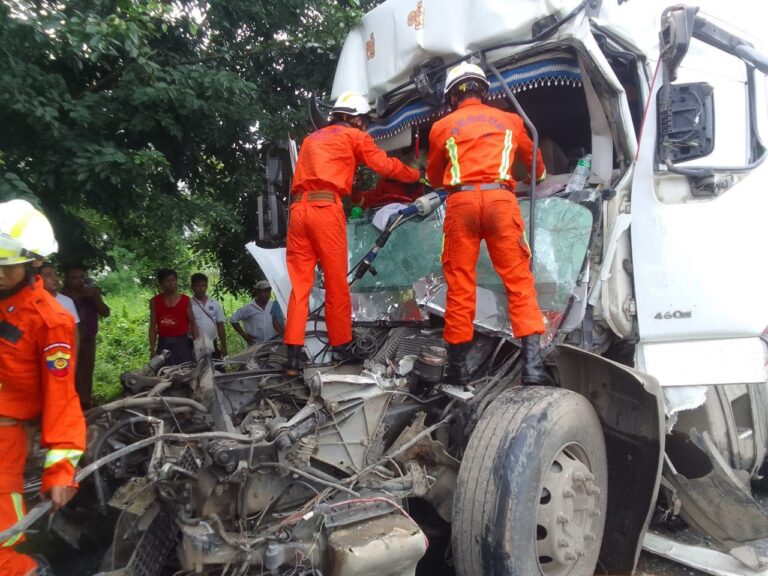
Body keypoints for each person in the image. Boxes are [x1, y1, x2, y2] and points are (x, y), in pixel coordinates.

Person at [426, 62, 552, 387]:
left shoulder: (442, 127)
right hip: (500, 202)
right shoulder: (510, 120)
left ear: (452, 96)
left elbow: (433, 176)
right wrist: (537, 177)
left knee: (460, 284)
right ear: (484, 90)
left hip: (460, 203)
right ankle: (533, 369)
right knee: (519, 281)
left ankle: (457, 369)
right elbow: (535, 163)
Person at [284, 91, 421, 375]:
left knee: (300, 285)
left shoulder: (312, 138)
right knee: (336, 283)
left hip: (298, 211)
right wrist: (414, 175)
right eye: (366, 122)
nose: (366, 128)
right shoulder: (354, 136)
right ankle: (342, 348)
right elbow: (383, 165)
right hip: (325, 207)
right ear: (357, 119)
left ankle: (293, 356)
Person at [0, 199, 86, 576]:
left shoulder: (50, 321)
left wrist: (60, 471)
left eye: (6, 267)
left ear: (32, 260)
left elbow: (61, 398)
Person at [61, 264, 110, 409]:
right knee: (71, 371)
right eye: (75, 278)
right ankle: (70, 402)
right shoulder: (62, 296)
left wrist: (95, 297)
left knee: (87, 370)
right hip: (68, 341)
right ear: (67, 280)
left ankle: (85, 401)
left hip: (88, 339)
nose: (79, 280)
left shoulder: (90, 294)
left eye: (82, 277)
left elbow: (106, 312)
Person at [149, 269, 198, 365]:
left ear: (176, 281)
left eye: (173, 280)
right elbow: (152, 326)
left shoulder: (186, 300)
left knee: (183, 372)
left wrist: (196, 346)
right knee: (163, 373)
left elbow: (193, 323)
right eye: (167, 281)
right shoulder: (155, 301)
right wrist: (152, 349)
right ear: (161, 284)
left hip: (182, 343)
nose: (171, 283)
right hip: (163, 342)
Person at [39, 261, 80, 357]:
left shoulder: (67, 302)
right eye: (48, 275)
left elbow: (75, 335)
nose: (55, 278)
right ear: (38, 279)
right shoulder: (33, 302)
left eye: (56, 274)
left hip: (62, 354)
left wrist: (74, 359)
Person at [231, 280, 284, 345]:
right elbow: (233, 319)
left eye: (269, 291)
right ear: (257, 291)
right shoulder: (249, 307)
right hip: (255, 345)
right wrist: (244, 335)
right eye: (264, 291)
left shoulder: (273, 305)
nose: (267, 294)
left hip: (272, 344)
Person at [190, 272, 228, 358]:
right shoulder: (188, 304)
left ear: (207, 286)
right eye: (197, 286)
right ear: (192, 287)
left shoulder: (214, 303)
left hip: (212, 342)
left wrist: (224, 346)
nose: (200, 289)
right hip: (193, 343)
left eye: (203, 285)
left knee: (217, 368)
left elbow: (220, 325)